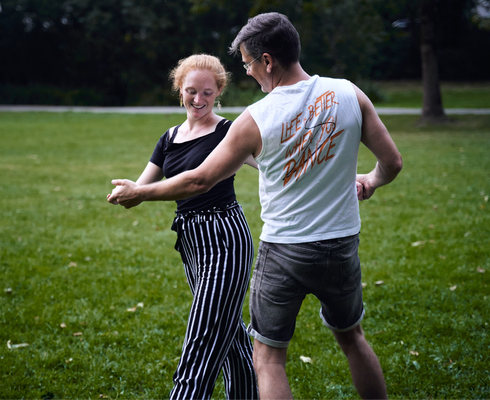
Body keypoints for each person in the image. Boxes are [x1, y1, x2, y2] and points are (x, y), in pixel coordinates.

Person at [108, 12, 403, 400]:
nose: (247, 72)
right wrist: (370, 180)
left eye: (248, 63)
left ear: (267, 61)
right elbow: (392, 162)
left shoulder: (254, 119)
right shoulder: (349, 93)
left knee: (268, 357)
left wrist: (141, 193)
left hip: (285, 251)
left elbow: (200, 179)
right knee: (352, 339)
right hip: (341, 246)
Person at [108, 54, 259, 399]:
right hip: (191, 242)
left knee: (203, 337)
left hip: (226, 238)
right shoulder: (169, 137)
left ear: (219, 90)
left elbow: (275, 164)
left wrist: (338, 178)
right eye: (191, 91)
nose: (199, 100)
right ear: (180, 89)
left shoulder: (229, 132)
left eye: (207, 92)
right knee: (230, 336)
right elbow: (142, 188)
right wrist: (124, 192)